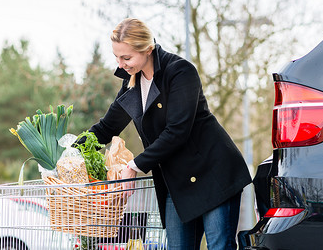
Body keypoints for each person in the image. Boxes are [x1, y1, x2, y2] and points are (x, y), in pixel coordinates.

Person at [83, 18, 252, 250]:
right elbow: (106, 128)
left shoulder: (180, 72)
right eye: (117, 57)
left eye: (126, 57)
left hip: (213, 173)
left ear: (147, 49)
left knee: (219, 246)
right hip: (177, 183)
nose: (120, 64)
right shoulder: (131, 83)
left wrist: (135, 165)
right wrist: (69, 154)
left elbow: (177, 131)